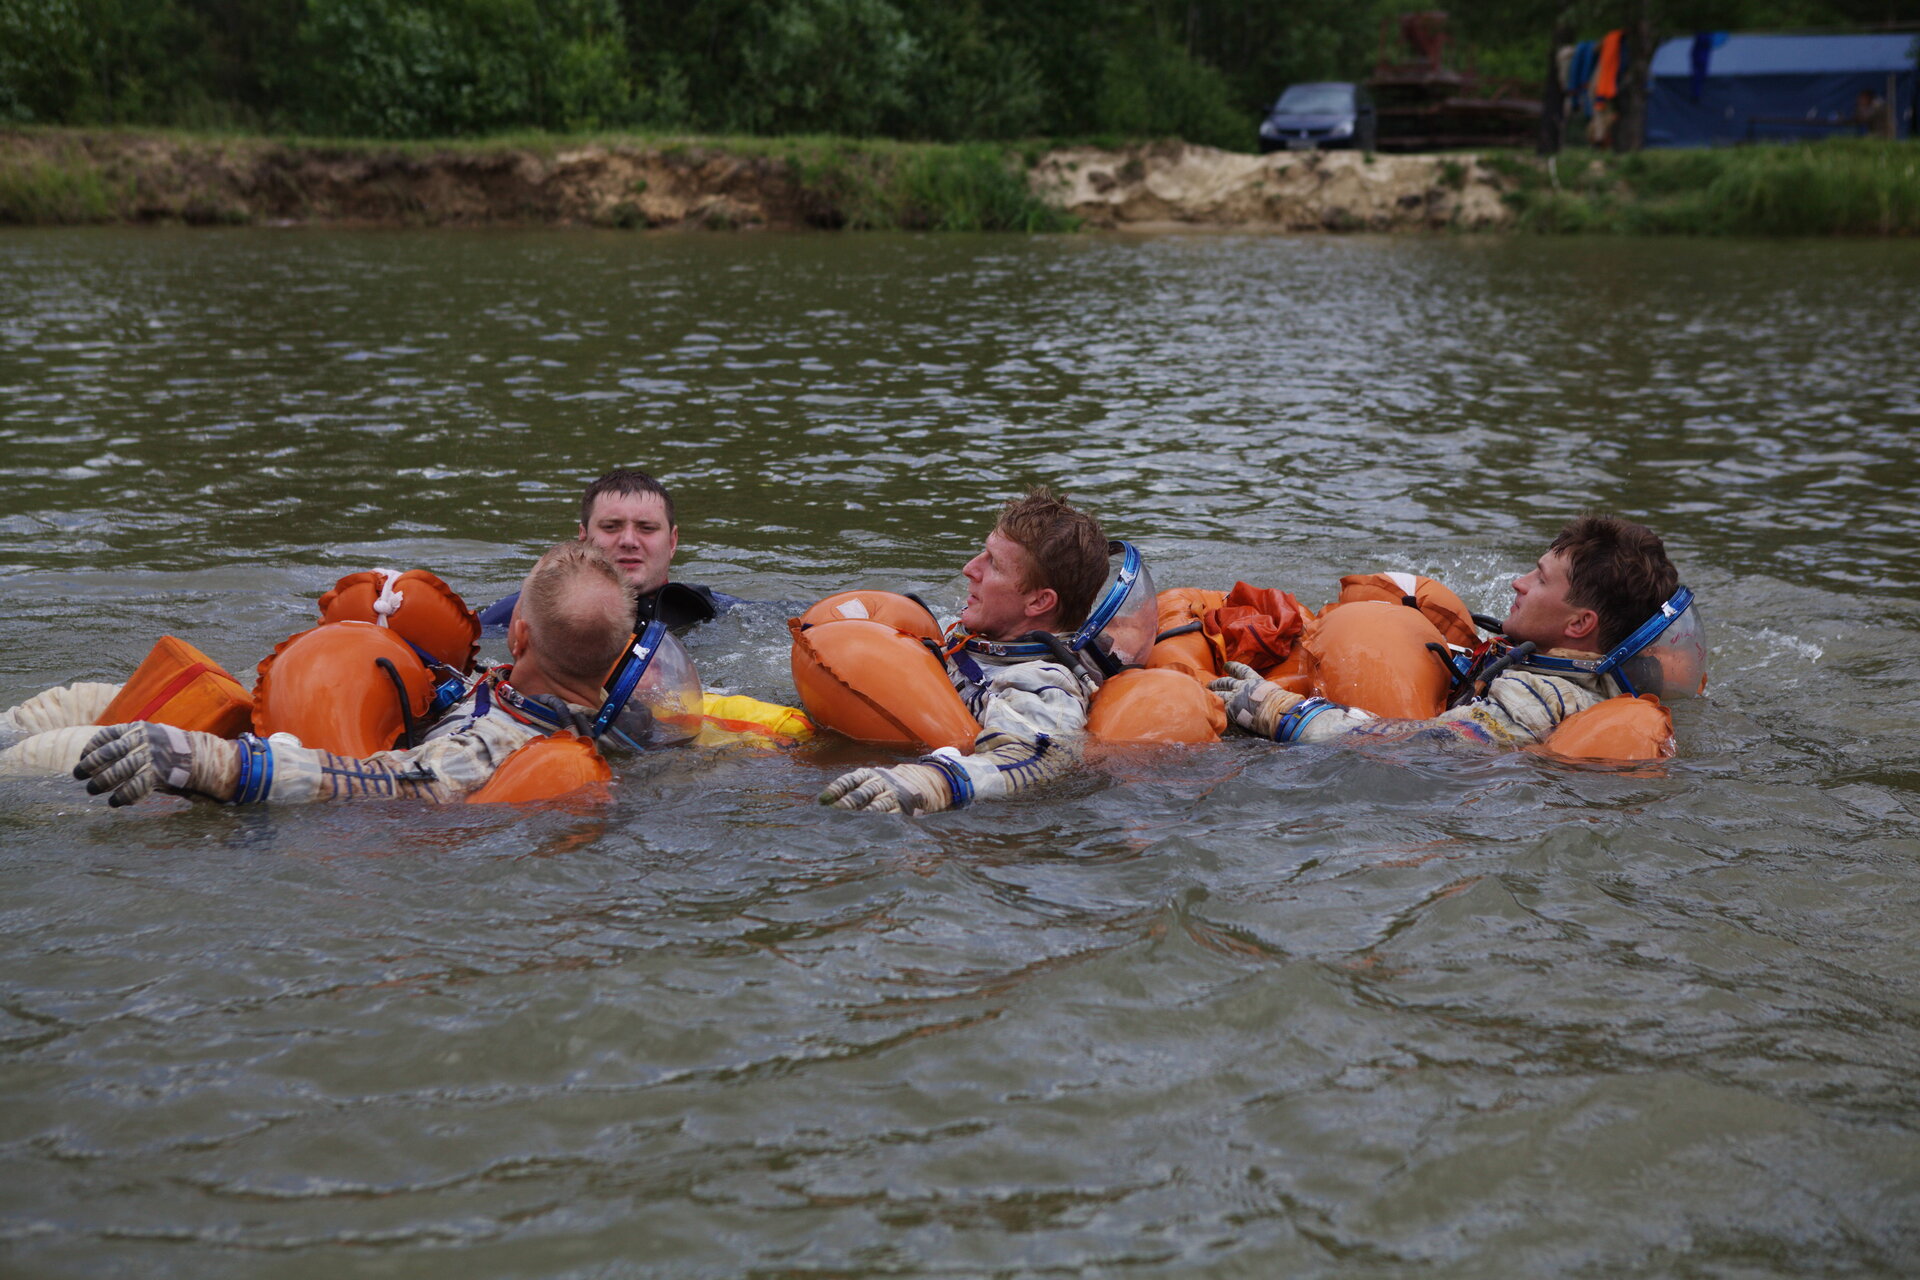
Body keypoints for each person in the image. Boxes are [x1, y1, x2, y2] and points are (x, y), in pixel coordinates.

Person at [76, 543, 665, 806]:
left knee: (60, 737)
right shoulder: (636, 719)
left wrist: (210, 763)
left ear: (520, 634)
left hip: (297, 817)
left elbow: (380, 783)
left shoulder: (495, 749)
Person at [1210, 514, 1699, 749]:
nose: (1518, 583)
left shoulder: (1536, 698)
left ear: (1578, 624)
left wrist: (1280, 711)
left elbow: (1425, 751)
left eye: (1540, 579)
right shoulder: (1604, 670)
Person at [820, 488, 1113, 815]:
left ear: (1038, 601)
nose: (969, 568)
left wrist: (935, 783)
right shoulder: (981, 636)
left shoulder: (1043, 683)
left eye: (994, 565)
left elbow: (1040, 757)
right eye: (982, 553)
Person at [477, 468, 740, 633]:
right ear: (583, 538)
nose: (628, 540)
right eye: (611, 527)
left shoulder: (716, 611)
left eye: (646, 528)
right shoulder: (524, 611)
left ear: (672, 542)